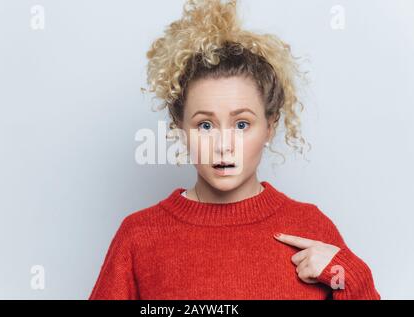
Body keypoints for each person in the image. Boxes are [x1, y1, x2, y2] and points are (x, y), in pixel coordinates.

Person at [89, 0, 380, 300]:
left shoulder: (310, 226)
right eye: (205, 125)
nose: (223, 146)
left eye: (242, 125)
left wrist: (349, 275)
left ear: (270, 126)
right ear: (180, 127)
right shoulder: (139, 236)